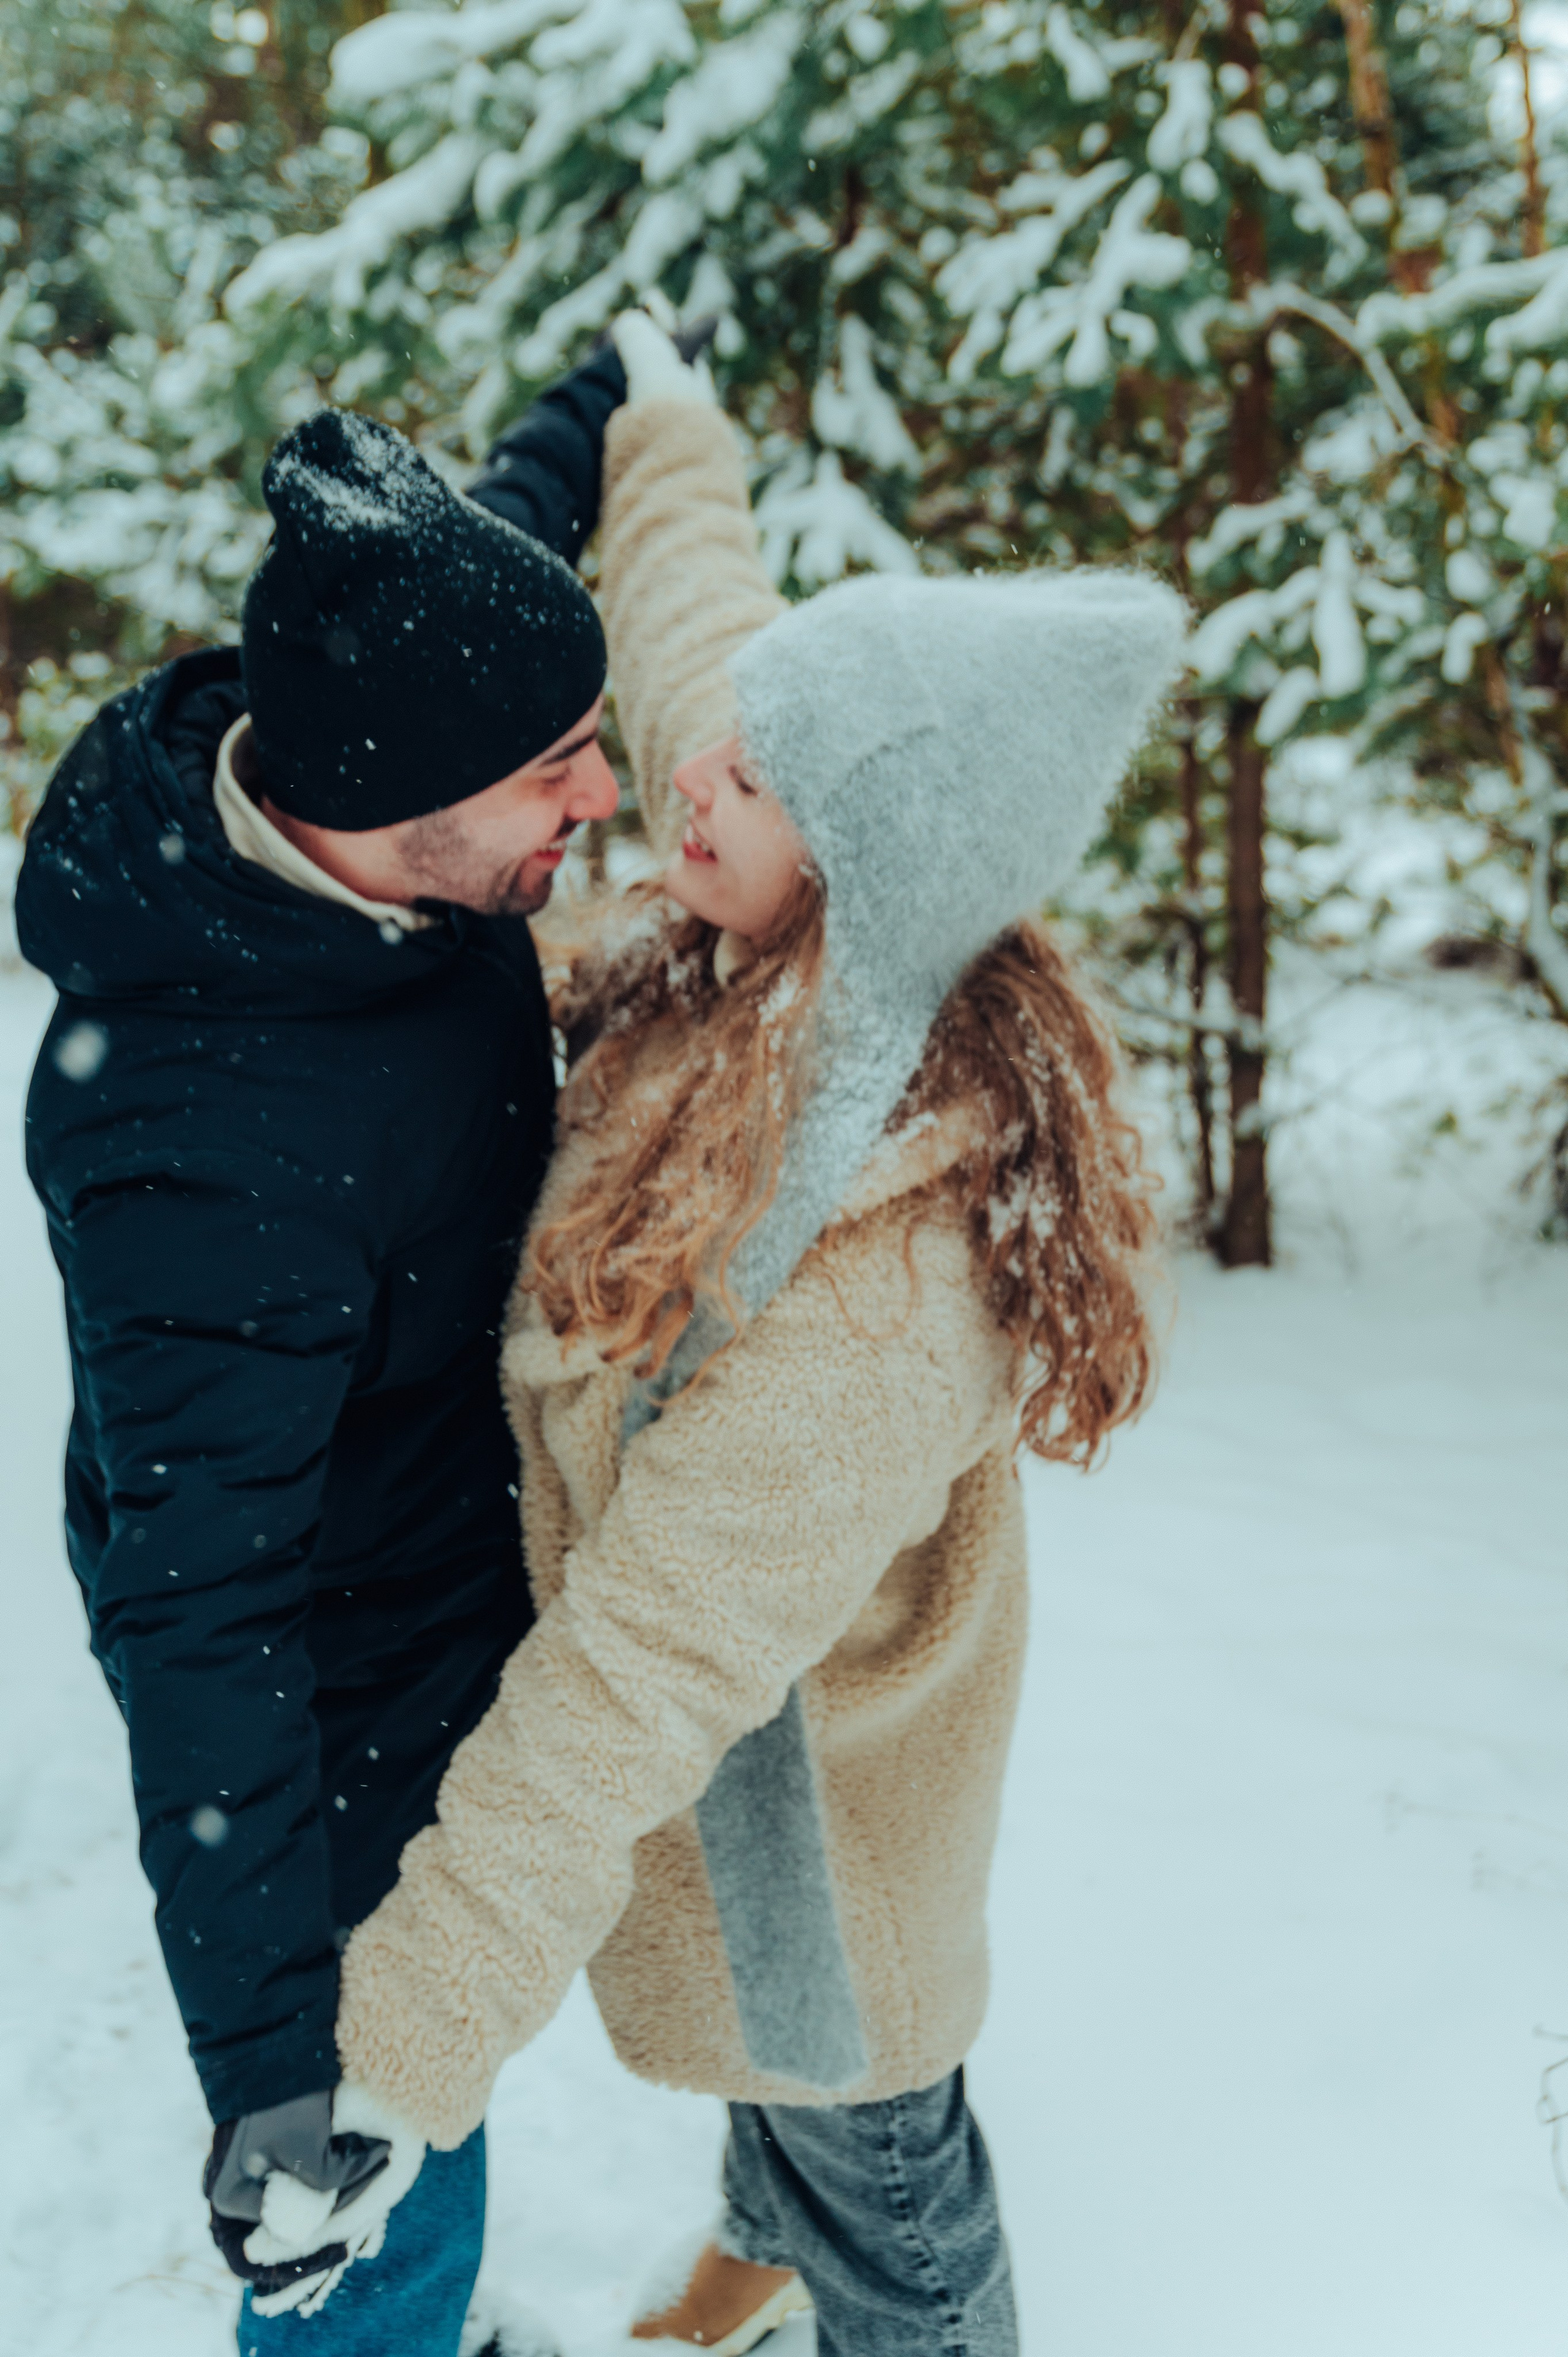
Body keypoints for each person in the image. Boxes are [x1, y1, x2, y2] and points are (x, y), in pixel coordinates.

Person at [266, 316, 1186, 2356]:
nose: (687, 763)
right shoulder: (779, 892)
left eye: (749, 773)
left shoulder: (877, 1280)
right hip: (740, 1764)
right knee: (805, 2114)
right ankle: (750, 2273)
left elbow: (633, 1678)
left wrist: (391, 2065)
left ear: (858, 868)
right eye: (732, 736)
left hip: (813, 1841)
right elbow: (705, 615)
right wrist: (666, 410)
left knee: (883, 2160)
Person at [16, 344, 642, 2328]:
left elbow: (506, 547)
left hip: (435, 1534)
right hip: (335, 1673)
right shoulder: (202, 1158)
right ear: (398, 804)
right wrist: (274, 2079)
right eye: (558, 770)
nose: (603, 794)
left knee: (437, 2099)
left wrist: (599, 399)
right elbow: (201, 1620)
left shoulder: (388, 729)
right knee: (390, 2133)